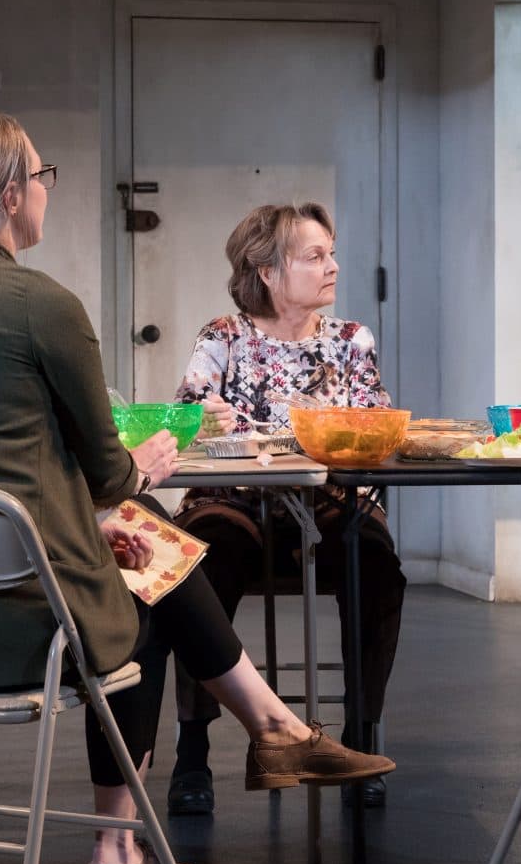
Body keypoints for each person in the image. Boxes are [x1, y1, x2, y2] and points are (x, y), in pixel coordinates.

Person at [0, 113, 393, 864]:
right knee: (145, 570)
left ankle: (266, 735)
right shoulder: (41, 304)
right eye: (42, 177)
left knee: (136, 534)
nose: (46, 190)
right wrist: (135, 473)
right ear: (11, 197)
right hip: (15, 627)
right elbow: (109, 474)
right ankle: (128, 841)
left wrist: (97, 508)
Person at [166, 203, 406, 815]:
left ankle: (360, 736)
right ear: (267, 272)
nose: (332, 266)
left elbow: (376, 424)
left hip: (327, 499)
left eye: (331, 252)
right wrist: (202, 420)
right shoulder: (224, 335)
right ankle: (191, 753)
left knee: (374, 560)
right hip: (235, 499)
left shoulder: (351, 340)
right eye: (314, 256)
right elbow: (181, 424)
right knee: (199, 563)